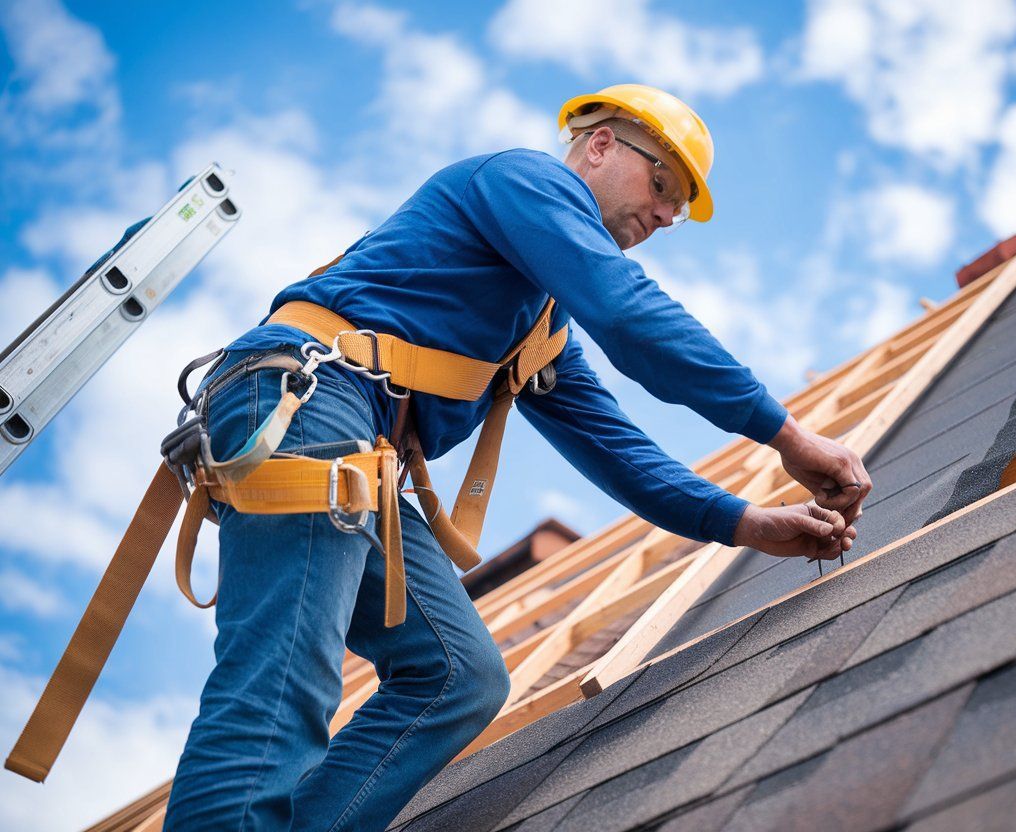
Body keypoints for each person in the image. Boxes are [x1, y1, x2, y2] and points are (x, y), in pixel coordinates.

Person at [163, 84, 872, 831]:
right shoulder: (520, 180)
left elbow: (617, 448)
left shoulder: (539, 326)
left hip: (357, 449)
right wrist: (788, 437)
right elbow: (631, 315)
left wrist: (745, 523)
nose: (666, 216)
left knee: (457, 676)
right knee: (281, 684)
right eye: (662, 185)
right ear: (598, 146)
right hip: (305, 400)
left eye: (676, 210)